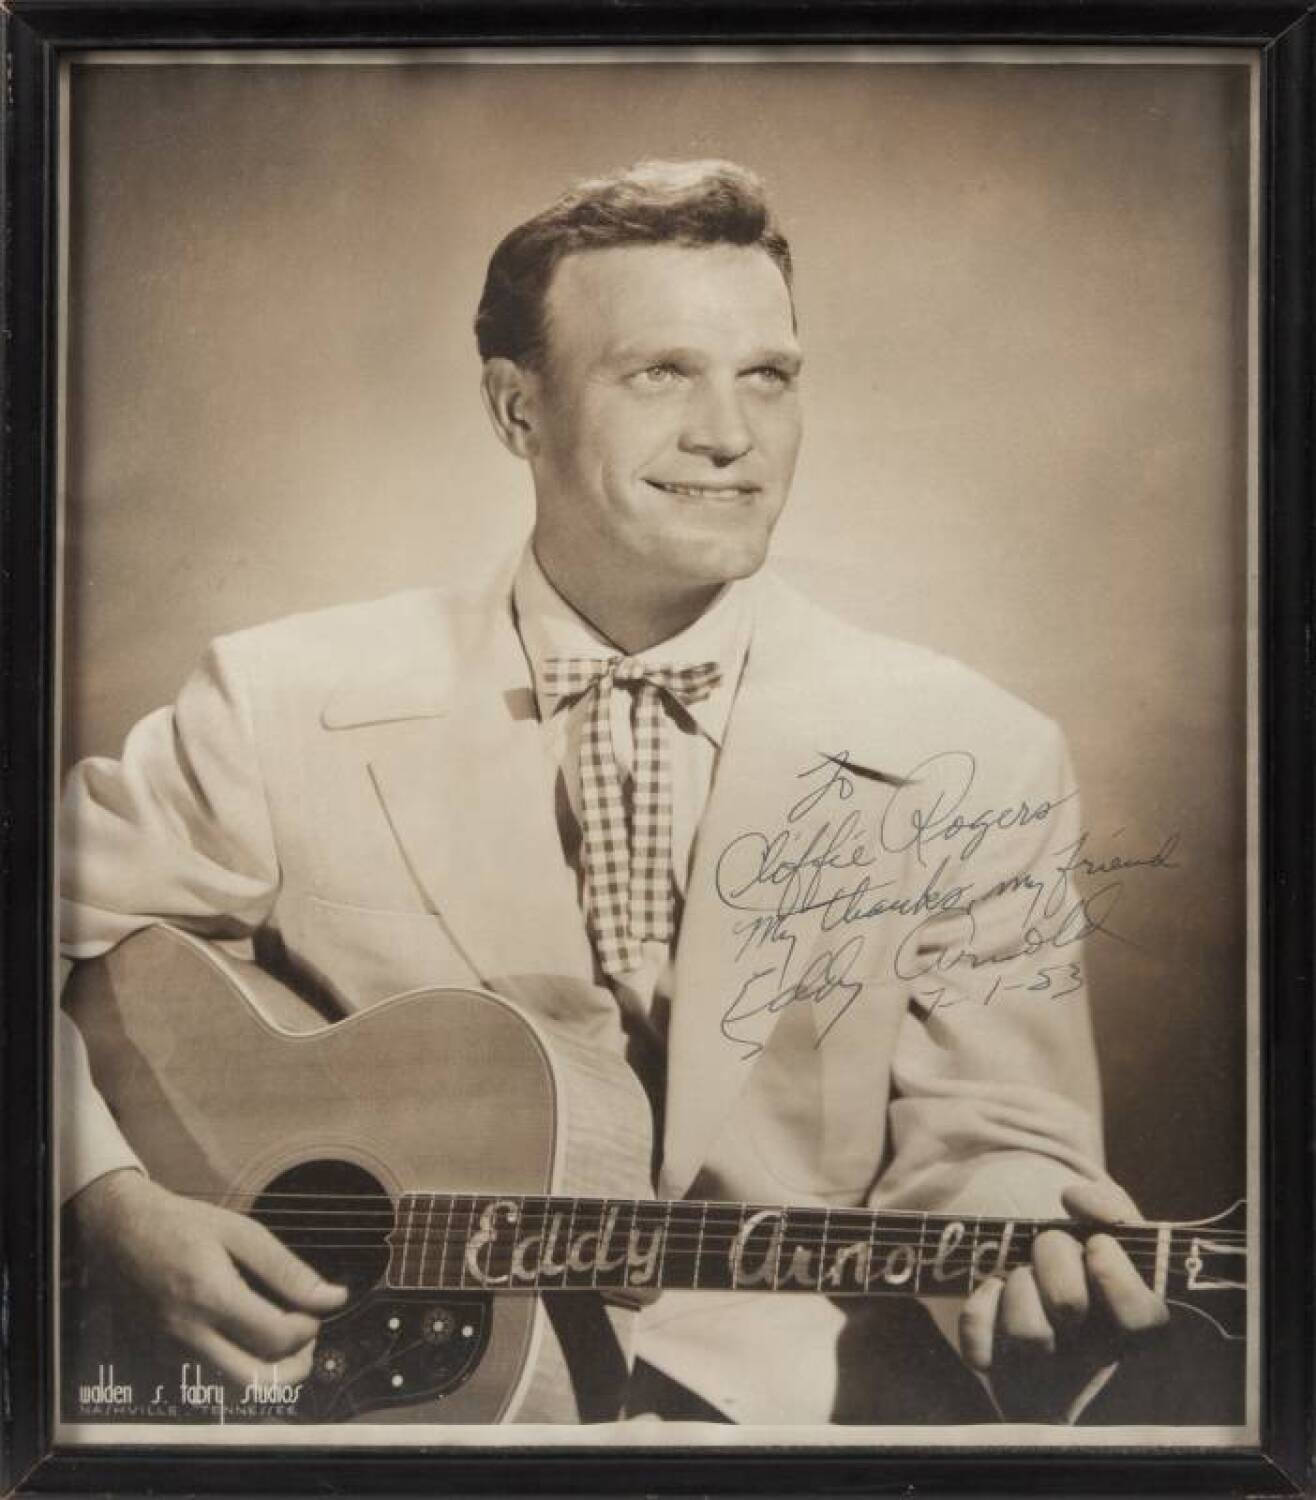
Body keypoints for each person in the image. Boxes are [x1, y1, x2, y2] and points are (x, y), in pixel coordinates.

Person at [58, 159, 1170, 1426]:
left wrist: (1018, 1249)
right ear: (515, 410)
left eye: (768, 375)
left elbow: (994, 1143)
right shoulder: (275, 700)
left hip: (802, 1424)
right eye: (660, 373)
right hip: (376, 1416)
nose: (729, 435)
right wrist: (106, 1205)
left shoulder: (979, 749)